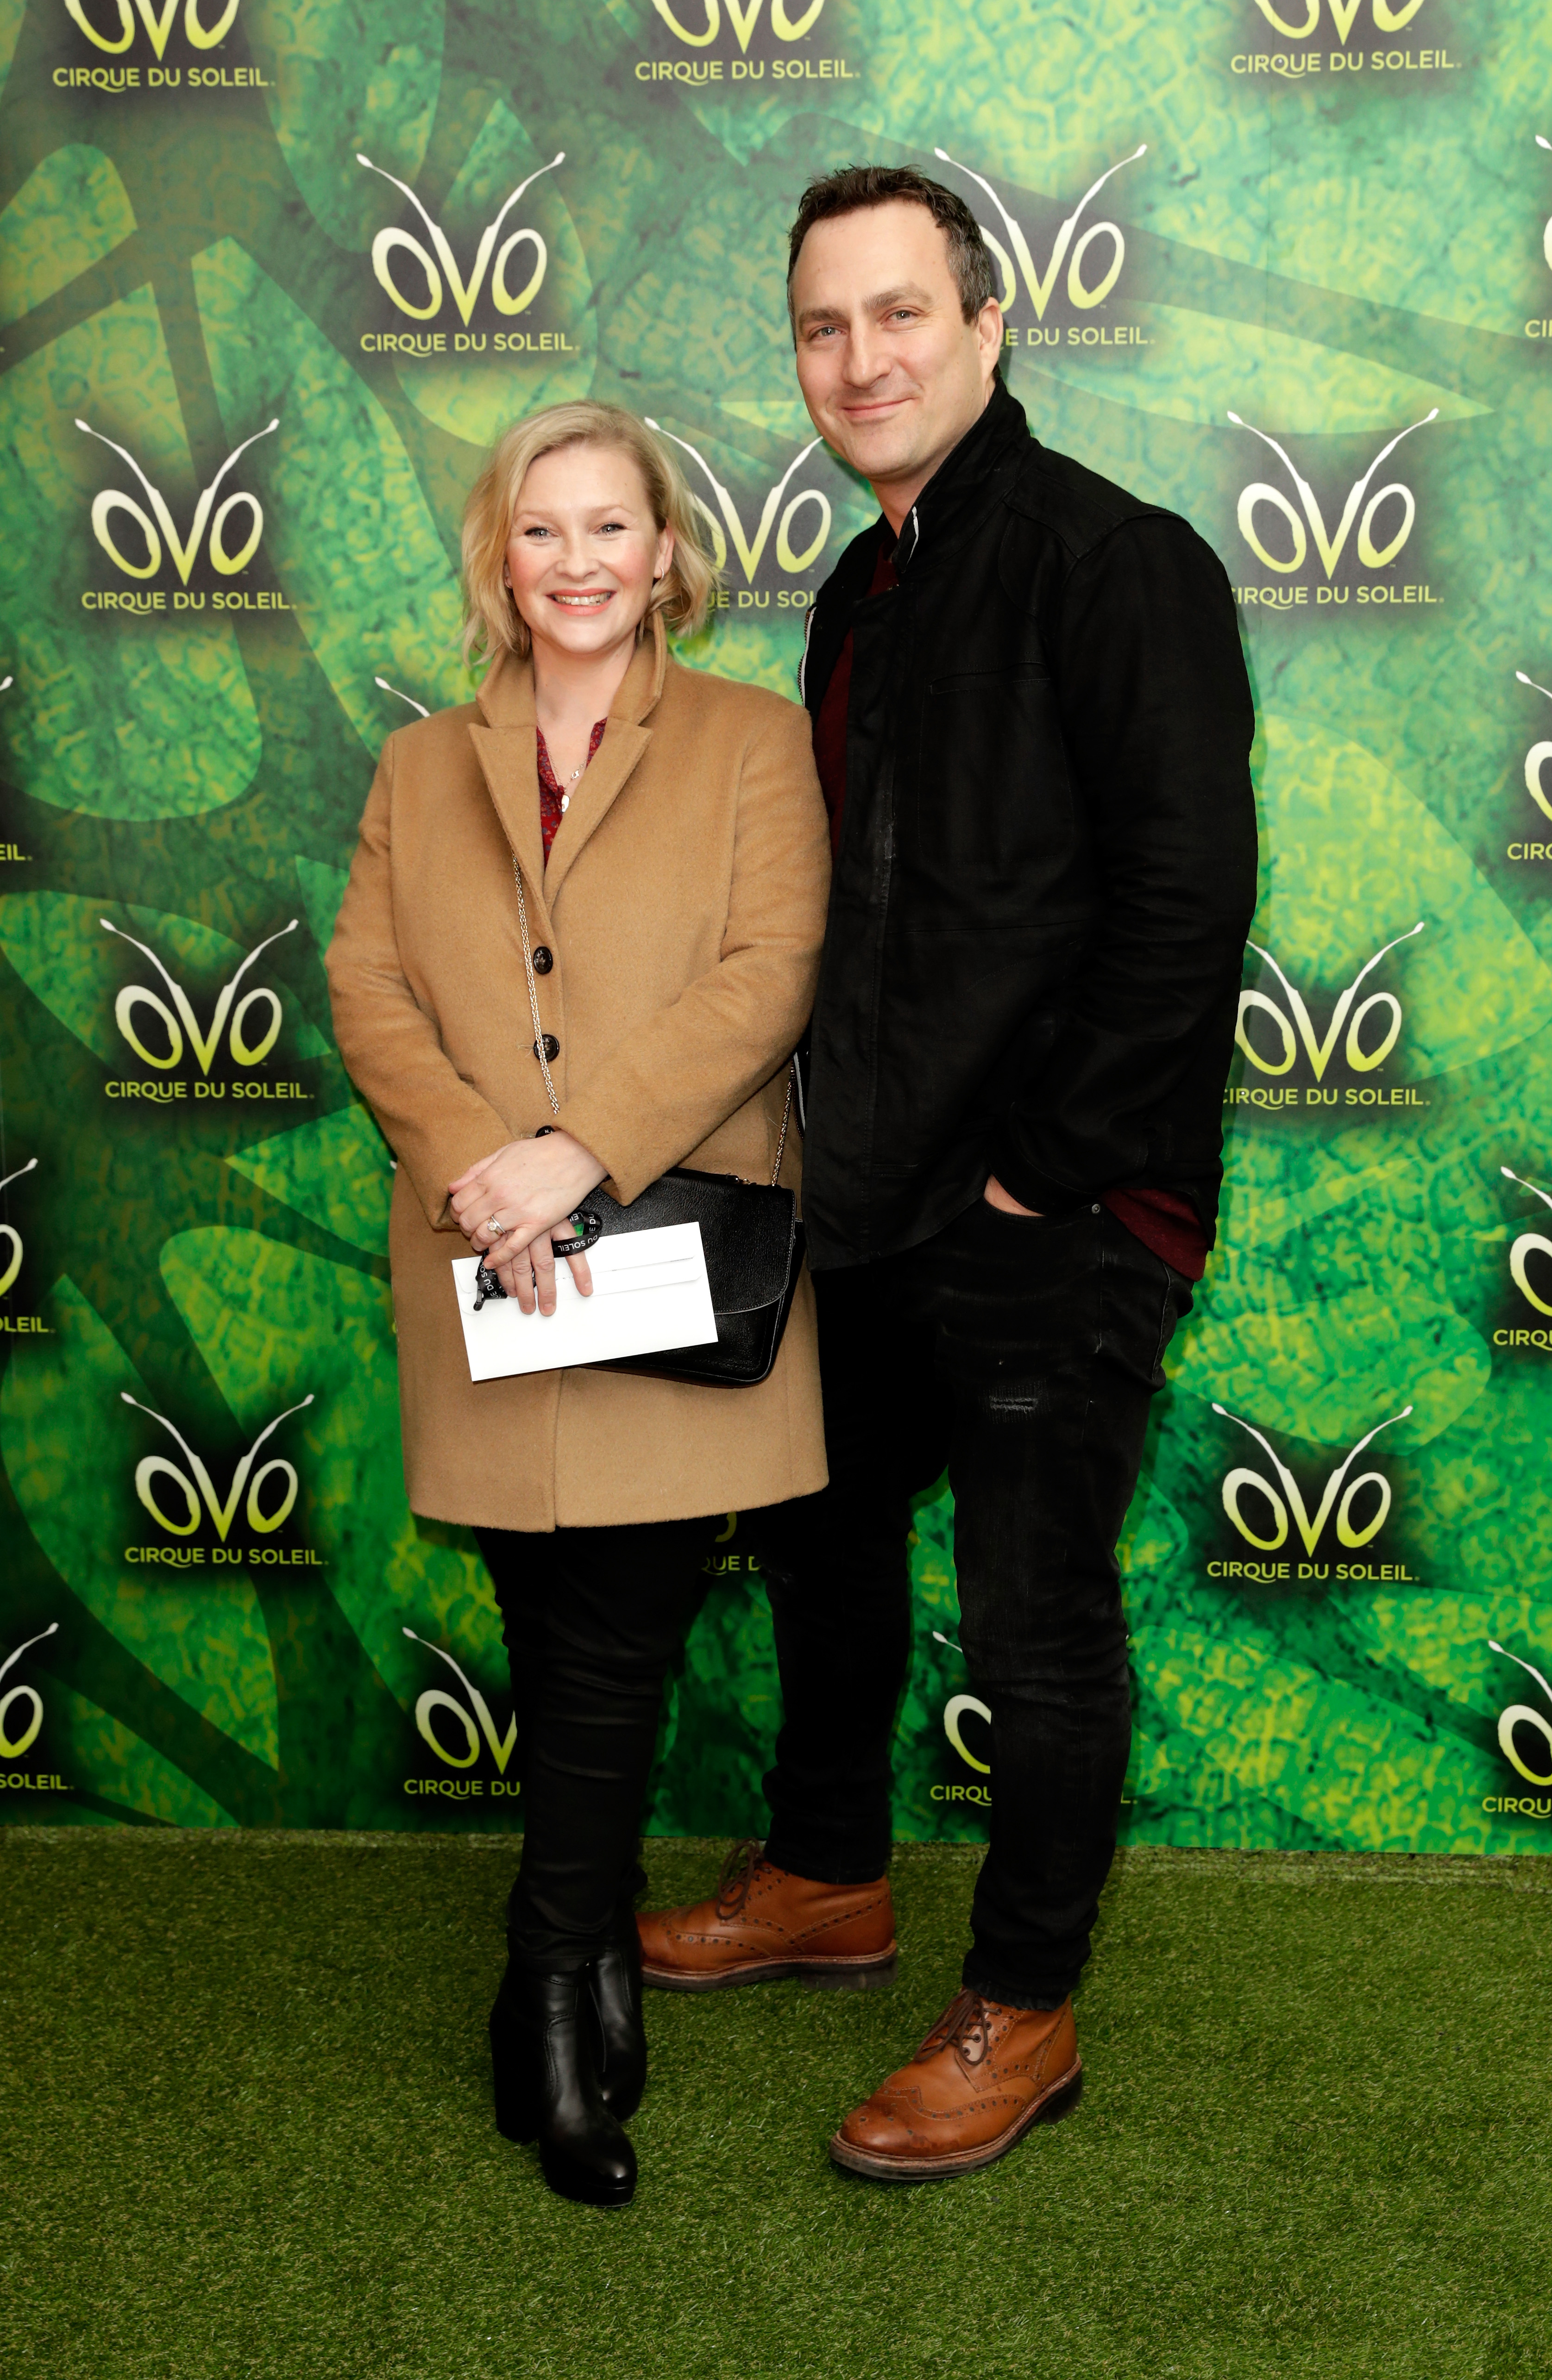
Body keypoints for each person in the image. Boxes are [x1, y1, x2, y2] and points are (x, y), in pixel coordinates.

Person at [638, 168, 1257, 2181]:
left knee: (1028, 1620)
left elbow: (1183, 904)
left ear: (989, 329)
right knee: (816, 1536)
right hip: (875, 1192)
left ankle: (1023, 2008)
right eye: (823, 326)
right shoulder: (854, 590)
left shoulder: (1115, 560)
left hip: (1055, 1208)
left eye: (898, 314)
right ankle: (828, 1870)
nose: (860, 358)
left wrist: (1042, 1174)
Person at [326, 401, 830, 2208]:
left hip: (658, 1251)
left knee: (614, 1630)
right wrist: (482, 1164)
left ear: (666, 550)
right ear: (500, 558)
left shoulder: (756, 747)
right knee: (551, 1630)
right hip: (484, 1261)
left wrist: (576, 1155)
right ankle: (599, 1947)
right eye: (540, 531)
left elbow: (767, 976)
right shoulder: (414, 766)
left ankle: (543, 1996)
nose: (576, 562)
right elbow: (368, 985)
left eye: (607, 526)